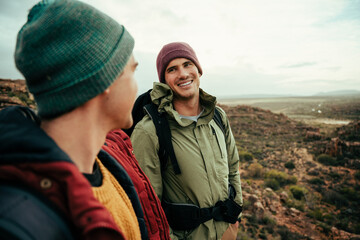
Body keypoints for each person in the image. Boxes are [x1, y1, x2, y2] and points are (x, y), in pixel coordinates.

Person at [0, 0, 145, 239]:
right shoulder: (19, 224)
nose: (137, 85)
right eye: (133, 70)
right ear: (105, 79)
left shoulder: (108, 171)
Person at [131, 42, 243, 240]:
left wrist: (234, 219)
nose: (182, 74)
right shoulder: (150, 131)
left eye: (187, 64)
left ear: (198, 70)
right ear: (164, 80)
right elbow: (147, 206)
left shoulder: (218, 116)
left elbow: (233, 168)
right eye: (172, 69)